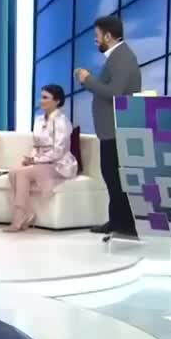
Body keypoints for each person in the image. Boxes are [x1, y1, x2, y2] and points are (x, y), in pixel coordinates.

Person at [75, 15, 142, 239]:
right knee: (112, 177)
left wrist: (88, 79)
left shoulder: (122, 56)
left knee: (116, 178)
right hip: (111, 129)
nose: (95, 40)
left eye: (97, 36)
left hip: (118, 128)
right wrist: (88, 81)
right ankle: (117, 221)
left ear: (108, 36)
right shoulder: (117, 56)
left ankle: (125, 225)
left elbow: (114, 92)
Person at [5, 84, 78, 232]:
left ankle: (18, 218)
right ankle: (29, 214)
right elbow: (36, 145)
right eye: (41, 97)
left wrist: (35, 161)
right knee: (13, 172)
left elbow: (58, 151)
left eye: (45, 98)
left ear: (57, 101)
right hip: (42, 161)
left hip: (59, 164)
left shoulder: (62, 122)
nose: (41, 101)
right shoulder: (38, 120)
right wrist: (31, 158)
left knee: (22, 173)